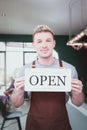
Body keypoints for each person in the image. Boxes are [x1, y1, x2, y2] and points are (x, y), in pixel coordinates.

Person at [9, 25, 84, 130]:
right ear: (34, 45)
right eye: (39, 41)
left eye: (48, 40)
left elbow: (78, 102)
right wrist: (19, 92)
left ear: (54, 43)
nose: (44, 45)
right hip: (34, 125)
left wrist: (78, 92)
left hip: (61, 124)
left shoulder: (69, 69)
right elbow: (16, 104)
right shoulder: (25, 70)